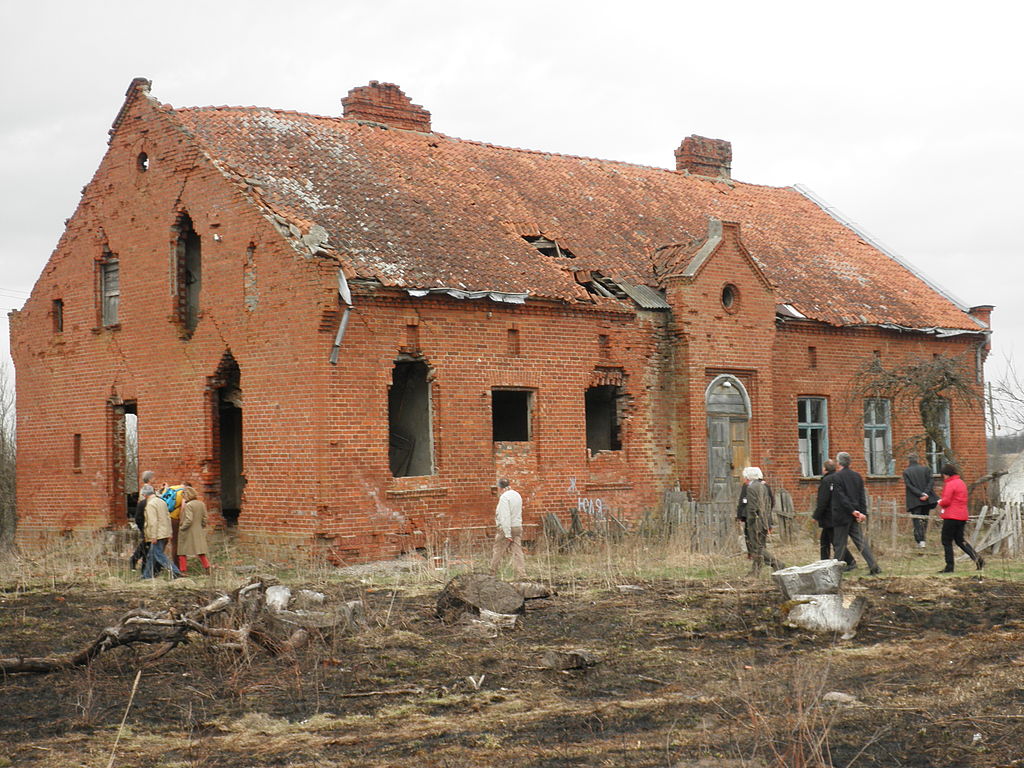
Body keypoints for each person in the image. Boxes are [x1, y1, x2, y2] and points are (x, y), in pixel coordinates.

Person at [829, 452, 882, 575]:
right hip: (855, 515)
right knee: (861, 542)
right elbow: (861, 496)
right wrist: (862, 512)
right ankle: (874, 566)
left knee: (839, 544)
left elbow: (840, 497)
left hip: (842, 515)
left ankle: (836, 571)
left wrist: (852, 510)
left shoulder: (836, 477)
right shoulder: (857, 476)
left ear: (838, 463)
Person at [937, 463, 984, 573]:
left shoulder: (950, 484)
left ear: (946, 474)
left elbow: (947, 501)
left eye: (943, 475)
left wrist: (940, 502)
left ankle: (949, 567)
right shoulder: (961, 483)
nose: (943, 478)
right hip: (962, 515)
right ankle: (977, 559)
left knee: (946, 541)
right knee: (960, 540)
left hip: (951, 515)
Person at [738, 466, 783, 576]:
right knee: (759, 546)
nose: (745, 479)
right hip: (764, 520)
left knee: (757, 547)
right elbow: (769, 503)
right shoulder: (764, 486)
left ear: (749, 477)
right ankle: (755, 571)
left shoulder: (751, 488)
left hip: (756, 522)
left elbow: (752, 507)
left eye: (746, 477)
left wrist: (750, 520)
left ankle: (776, 563)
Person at [813, 459, 856, 569]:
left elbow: (823, 500)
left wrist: (816, 515)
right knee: (829, 539)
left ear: (825, 469)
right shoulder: (838, 478)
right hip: (836, 514)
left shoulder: (827, 480)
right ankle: (828, 562)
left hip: (829, 516)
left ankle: (846, 561)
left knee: (832, 541)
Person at [141, 484, 182, 579]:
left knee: (158, 554)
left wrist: (153, 536)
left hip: (157, 534)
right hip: (164, 532)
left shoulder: (151, 504)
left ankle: (175, 571)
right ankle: (146, 575)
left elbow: (153, 522)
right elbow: (168, 517)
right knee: (151, 555)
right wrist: (170, 532)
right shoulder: (162, 501)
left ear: (144, 495)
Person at [489, 478, 526, 579]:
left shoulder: (504, 498)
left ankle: (492, 573)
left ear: (500, 487)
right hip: (517, 526)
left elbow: (505, 516)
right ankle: (522, 573)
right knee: (517, 551)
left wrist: (507, 533)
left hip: (507, 528)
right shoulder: (517, 495)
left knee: (498, 550)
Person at [903, 453, 938, 548]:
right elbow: (931, 482)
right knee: (924, 519)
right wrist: (925, 493)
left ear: (909, 461)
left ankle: (920, 541)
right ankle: (923, 539)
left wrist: (920, 494)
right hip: (926, 500)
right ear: (917, 460)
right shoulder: (926, 469)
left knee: (917, 521)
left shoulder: (906, 472)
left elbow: (909, 486)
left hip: (915, 501)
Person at [176, 486, 212, 575]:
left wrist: (182, 528)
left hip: (187, 532)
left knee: (182, 552)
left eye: (183, 495)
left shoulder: (189, 505)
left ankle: (183, 571)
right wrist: (201, 526)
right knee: (200, 551)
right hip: (198, 530)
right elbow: (205, 518)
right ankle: (207, 567)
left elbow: (189, 519)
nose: (183, 497)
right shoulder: (201, 504)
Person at [129, 470, 157, 571]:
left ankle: (139, 562)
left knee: (147, 544)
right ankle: (136, 561)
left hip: (147, 520)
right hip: (147, 520)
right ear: (149, 479)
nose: (155, 479)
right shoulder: (146, 489)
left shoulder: (146, 489)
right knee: (147, 544)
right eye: (153, 477)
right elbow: (144, 506)